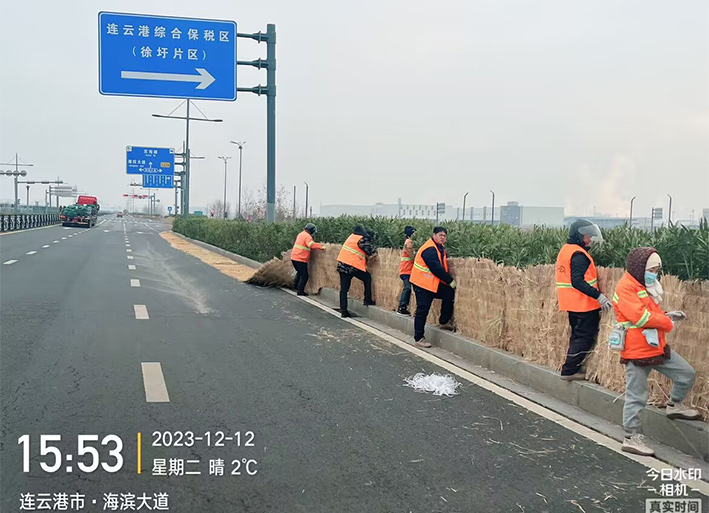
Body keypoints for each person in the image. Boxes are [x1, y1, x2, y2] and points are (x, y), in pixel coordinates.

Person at [613, 247, 699, 456]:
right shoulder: (626, 287)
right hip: (636, 351)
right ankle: (631, 437)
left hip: (654, 346)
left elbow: (650, 313)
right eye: (651, 270)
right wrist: (667, 321)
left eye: (657, 270)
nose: (655, 274)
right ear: (639, 267)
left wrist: (667, 314)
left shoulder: (642, 285)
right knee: (636, 396)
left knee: (686, 373)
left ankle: (674, 405)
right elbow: (641, 317)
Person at [555, 219, 612, 381]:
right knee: (584, 337)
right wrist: (599, 296)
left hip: (571, 303)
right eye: (587, 236)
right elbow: (578, 281)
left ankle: (572, 367)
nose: (589, 240)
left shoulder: (566, 250)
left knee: (577, 336)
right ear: (579, 236)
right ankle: (569, 370)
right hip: (584, 304)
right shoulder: (579, 255)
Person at [409, 227, 457, 348]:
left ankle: (444, 321)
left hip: (431, 284)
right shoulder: (429, 249)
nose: (443, 238)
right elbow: (436, 269)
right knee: (422, 310)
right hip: (422, 284)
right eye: (440, 235)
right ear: (434, 235)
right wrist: (449, 280)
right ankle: (419, 338)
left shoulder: (438, 248)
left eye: (444, 236)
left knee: (448, 293)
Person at [337, 225, 377, 318]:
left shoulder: (352, 236)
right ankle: (367, 300)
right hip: (352, 266)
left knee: (344, 290)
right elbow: (370, 251)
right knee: (367, 278)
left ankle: (344, 311)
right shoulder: (362, 239)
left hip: (342, 265)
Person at [290, 223, 324, 296]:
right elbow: (311, 245)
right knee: (304, 276)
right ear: (311, 230)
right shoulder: (307, 236)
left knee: (300, 273)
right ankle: (300, 291)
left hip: (294, 257)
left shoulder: (301, 234)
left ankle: (295, 286)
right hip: (300, 258)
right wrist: (321, 246)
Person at [397, 225, 416, 315]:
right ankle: (402, 306)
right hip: (406, 270)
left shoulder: (409, 242)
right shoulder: (409, 242)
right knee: (407, 288)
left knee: (408, 288)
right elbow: (412, 255)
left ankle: (404, 306)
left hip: (408, 270)